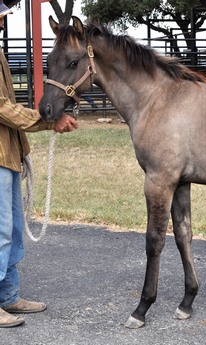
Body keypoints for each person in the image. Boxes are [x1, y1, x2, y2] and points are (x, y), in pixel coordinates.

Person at [0, 0, 78, 327]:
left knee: (13, 230)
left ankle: (8, 296)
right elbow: (2, 107)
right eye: (0, 17)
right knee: (0, 230)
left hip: (8, 153)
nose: (3, 23)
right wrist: (48, 122)